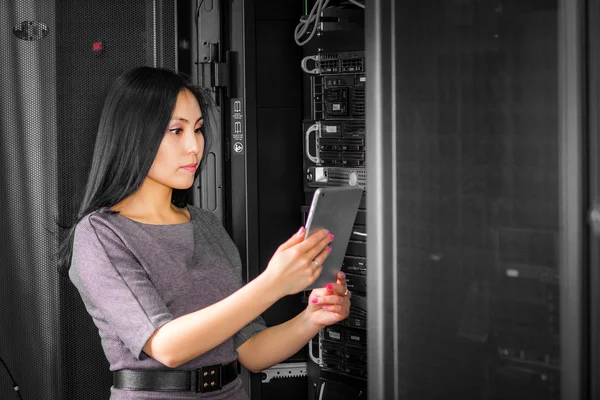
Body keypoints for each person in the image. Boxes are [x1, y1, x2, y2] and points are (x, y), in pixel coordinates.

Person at [57, 67, 351, 400]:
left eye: (197, 130)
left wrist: (311, 319)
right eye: (176, 130)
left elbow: (251, 351)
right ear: (134, 135)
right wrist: (274, 283)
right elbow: (166, 346)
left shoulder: (205, 225)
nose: (195, 146)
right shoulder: (101, 234)